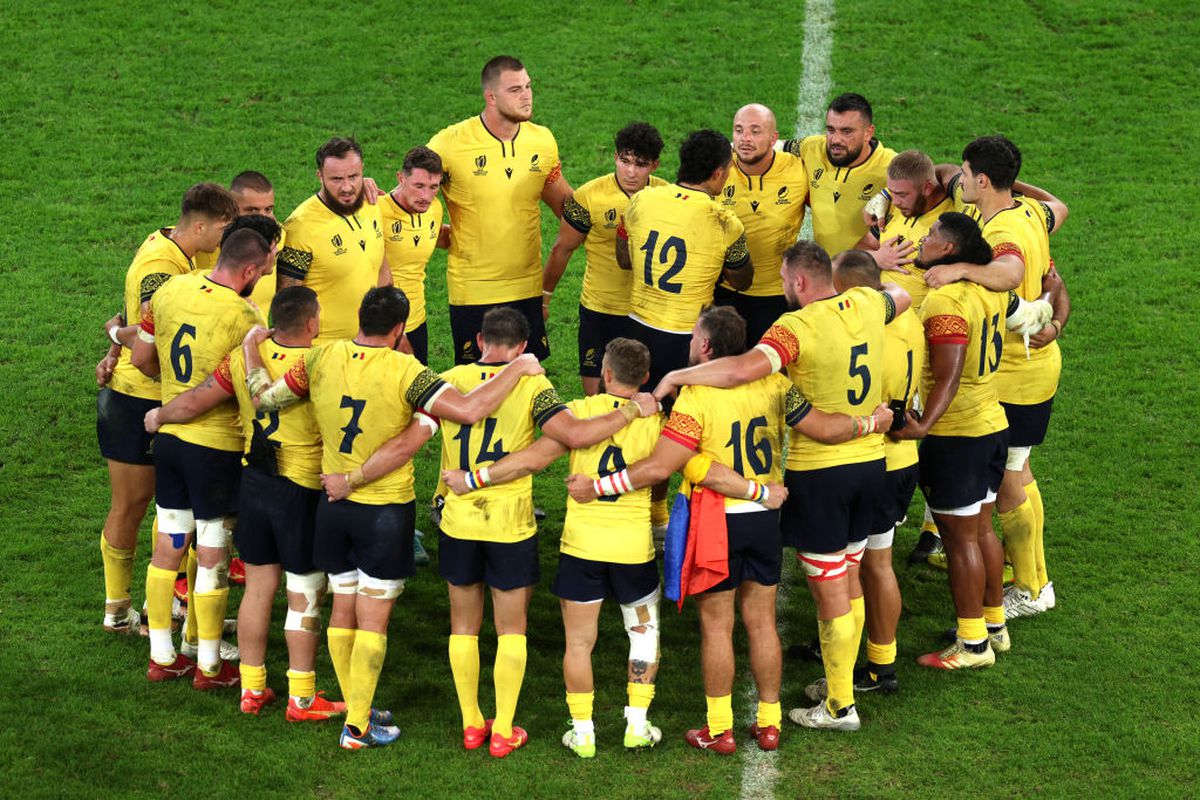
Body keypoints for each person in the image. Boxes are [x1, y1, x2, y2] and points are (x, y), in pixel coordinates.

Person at [571, 305, 893, 753]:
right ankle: (770, 723)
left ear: (704, 346)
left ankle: (719, 729)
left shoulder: (695, 397)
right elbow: (821, 427)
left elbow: (662, 465)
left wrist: (600, 486)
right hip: (765, 520)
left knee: (717, 626)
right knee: (761, 623)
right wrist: (870, 423)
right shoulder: (778, 383)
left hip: (715, 523)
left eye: (693, 339)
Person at [245, 287, 546, 749]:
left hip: (332, 505)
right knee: (373, 619)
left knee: (342, 607)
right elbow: (467, 409)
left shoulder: (320, 358)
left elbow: (266, 399)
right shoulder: (409, 372)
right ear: (400, 329)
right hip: (382, 510)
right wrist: (521, 368)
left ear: (359, 317)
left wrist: (250, 350)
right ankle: (359, 726)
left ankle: (355, 704)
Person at [653, 242, 910, 732]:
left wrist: (675, 377)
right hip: (872, 464)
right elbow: (902, 295)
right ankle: (845, 684)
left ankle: (839, 706)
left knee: (831, 588)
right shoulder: (869, 302)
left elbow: (739, 369)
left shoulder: (793, 327)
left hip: (821, 474)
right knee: (851, 575)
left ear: (797, 283)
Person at [430, 308, 656, 757]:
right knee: (512, 629)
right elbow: (569, 436)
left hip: (458, 517)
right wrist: (633, 409)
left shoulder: (449, 378)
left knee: (463, 626)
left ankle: (472, 723)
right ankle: (504, 729)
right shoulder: (534, 384)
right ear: (523, 349)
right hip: (511, 521)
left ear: (478, 341)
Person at [143, 287, 346, 721]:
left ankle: (252, 689)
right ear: (312, 323)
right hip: (301, 488)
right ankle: (302, 699)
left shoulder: (241, 356)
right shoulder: (321, 362)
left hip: (254, 483)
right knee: (304, 593)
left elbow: (198, 399)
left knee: (257, 588)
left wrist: (160, 416)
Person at [889, 212, 1052, 668]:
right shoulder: (991, 290)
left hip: (956, 435)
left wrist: (923, 426)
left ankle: (972, 643)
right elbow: (1030, 315)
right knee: (980, 532)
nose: (922, 242)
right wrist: (1054, 301)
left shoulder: (945, 304)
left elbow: (949, 374)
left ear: (947, 250)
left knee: (960, 541)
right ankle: (994, 625)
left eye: (931, 238)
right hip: (992, 424)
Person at [130, 227, 277, 688]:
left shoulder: (172, 288)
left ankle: (161, 656)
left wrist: (171, 387)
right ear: (250, 271)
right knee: (212, 550)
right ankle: (209, 665)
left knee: (168, 544)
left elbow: (142, 358)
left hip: (170, 444)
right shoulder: (243, 315)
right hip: (214, 448)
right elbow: (243, 388)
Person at [932, 136, 1071, 617]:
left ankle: (1033, 588)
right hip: (1026, 365)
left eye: (969, 176)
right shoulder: (1030, 211)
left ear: (983, 180)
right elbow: (1060, 206)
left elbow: (1010, 273)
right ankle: (1027, 577)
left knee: (1011, 482)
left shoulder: (1007, 230)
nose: (959, 180)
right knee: (1017, 472)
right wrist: (1011, 186)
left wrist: (961, 271)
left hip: (1016, 372)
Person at [95, 182, 239, 635]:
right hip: (136, 397)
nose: (224, 239)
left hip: (159, 400)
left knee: (175, 510)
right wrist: (120, 340)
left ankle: (170, 605)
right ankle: (117, 610)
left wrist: (115, 337)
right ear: (200, 225)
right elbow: (146, 335)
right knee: (132, 504)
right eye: (223, 228)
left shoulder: (184, 252)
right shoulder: (161, 265)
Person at [427, 55, 571, 363]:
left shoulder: (542, 141)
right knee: (476, 385)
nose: (527, 95)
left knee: (526, 382)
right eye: (516, 89)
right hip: (473, 290)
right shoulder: (449, 144)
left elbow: (567, 207)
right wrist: (440, 236)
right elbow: (411, 199)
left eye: (529, 86)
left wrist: (611, 210)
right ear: (491, 97)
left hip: (526, 286)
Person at [618, 129, 753, 392]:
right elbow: (742, 281)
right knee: (682, 419)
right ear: (717, 173)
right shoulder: (723, 220)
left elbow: (624, 259)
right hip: (687, 338)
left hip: (636, 326)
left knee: (638, 412)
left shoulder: (642, 200)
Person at [543, 122, 665, 395]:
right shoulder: (588, 196)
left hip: (646, 314)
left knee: (644, 398)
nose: (631, 172)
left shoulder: (666, 198)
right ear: (615, 157)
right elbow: (562, 249)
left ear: (655, 165)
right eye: (625, 161)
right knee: (596, 399)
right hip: (600, 311)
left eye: (641, 164)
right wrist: (544, 297)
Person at [276, 137, 390, 343]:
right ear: (320, 176)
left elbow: (381, 267)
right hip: (325, 351)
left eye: (353, 176)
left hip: (371, 344)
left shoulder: (371, 202)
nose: (347, 187)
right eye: (336, 179)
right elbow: (288, 301)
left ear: (363, 169)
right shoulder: (301, 226)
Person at [713, 104, 808, 344]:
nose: (745, 139)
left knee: (772, 373)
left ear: (774, 138)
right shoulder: (717, 169)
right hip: (722, 290)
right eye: (739, 130)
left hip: (775, 295)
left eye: (755, 131)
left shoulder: (798, 170)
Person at [782, 93, 896, 257]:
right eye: (831, 130)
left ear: (868, 133)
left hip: (868, 270)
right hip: (827, 268)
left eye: (846, 132)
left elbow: (927, 180)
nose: (836, 140)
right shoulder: (813, 147)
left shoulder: (891, 166)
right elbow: (776, 147)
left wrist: (887, 193)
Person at [855, 150, 955, 312]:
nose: (895, 201)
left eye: (901, 194)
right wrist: (876, 257)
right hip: (876, 312)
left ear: (927, 187)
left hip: (915, 323)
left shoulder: (951, 222)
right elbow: (864, 246)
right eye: (890, 192)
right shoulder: (893, 207)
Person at [380, 146, 450, 365]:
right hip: (382, 321)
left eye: (433, 187)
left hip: (417, 318)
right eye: (418, 186)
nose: (425, 196)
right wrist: (395, 329)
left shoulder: (435, 209)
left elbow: (434, 237)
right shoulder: (376, 211)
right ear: (401, 178)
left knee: (415, 393)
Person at [193, 171, 281, 313]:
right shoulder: (208, 241)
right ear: (231, 209)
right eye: (252, 210)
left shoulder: (278, 236)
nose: (263, 217)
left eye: (268, 209)